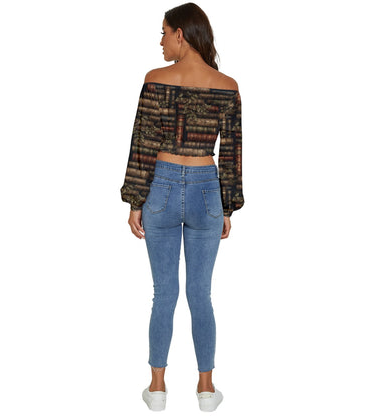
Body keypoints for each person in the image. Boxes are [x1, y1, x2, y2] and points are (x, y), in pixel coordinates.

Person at [120, 2, 244, 411]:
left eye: (163, 32)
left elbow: (143, 144)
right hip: (208, 190)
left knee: (164, 293)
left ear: (180, 34)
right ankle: (206, 388)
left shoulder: (155, 80)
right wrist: (227, 207)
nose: (160, 42)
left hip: (162, 187)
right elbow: (231, 154)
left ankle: (157, 387)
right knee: (200, 294)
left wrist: (136, 200)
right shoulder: (227, 85)